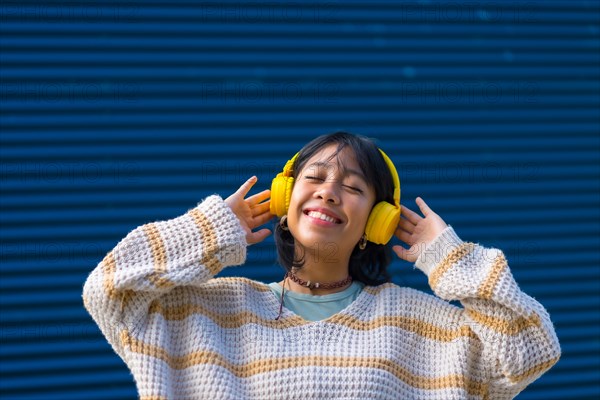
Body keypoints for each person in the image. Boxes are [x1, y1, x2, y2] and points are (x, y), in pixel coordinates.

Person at [83, 131, 560, 399]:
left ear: (377, 222)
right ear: (287, 198)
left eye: (353, 187)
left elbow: (530, 349)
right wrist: (208, 229)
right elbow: (109, 289)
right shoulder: (199, 316)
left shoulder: (427, 330)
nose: (329, 190)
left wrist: (450, 258)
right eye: (314, 177)